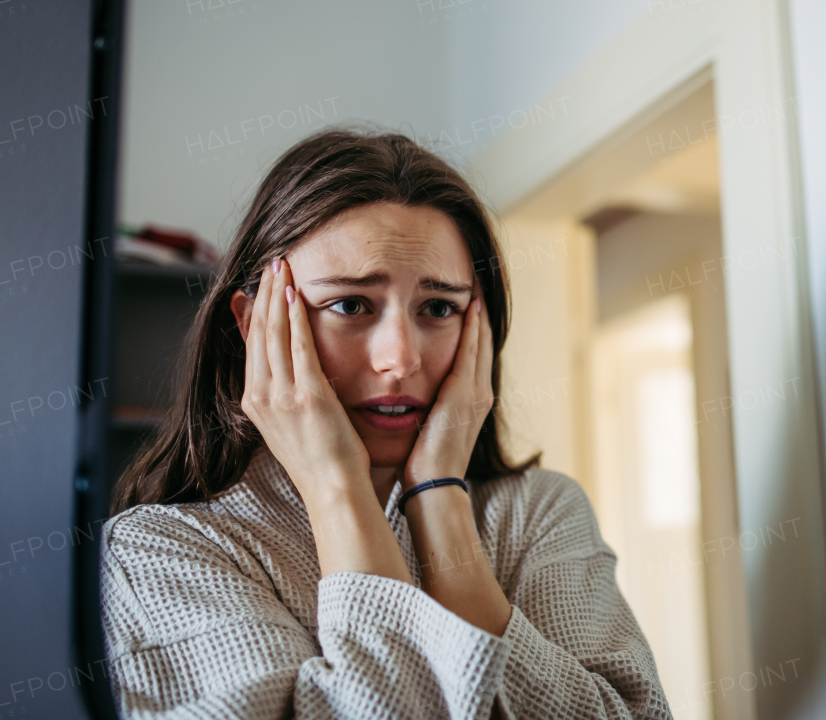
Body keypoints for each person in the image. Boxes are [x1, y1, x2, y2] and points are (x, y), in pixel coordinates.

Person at [100, 127, 673, 719]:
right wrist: (336, 487)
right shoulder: (160, 551)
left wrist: (439, 498)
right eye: (350, 305)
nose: (400, 357)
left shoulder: (538, 512)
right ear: (254, 325)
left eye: (438, 307)